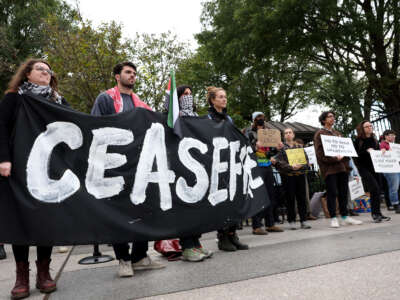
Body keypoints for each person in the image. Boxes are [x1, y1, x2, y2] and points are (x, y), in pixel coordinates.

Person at [0, 58, 67, 299]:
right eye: (40, 69)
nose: (46, 73)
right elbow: (1, 127)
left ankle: (43, 273)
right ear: (27, 73)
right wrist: (3, 159)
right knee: (21, 221)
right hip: (18, 169)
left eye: (49, 70)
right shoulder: (14, 98)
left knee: (44, 219)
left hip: (49, 171)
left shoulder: (56, 101)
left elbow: (74, 124)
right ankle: (21, 277)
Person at [91, 62, 165, 277]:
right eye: (128, 72)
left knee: (143, 208)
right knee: (119, 212)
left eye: (134, 73)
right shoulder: (105, 98)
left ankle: (140, 256)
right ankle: (123, 259)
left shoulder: (140, 104)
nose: (132, 76)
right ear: (117, 76)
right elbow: (95, 126)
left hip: (138, 163)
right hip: (113, 163)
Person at [164, 85, 212, 262]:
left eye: (190, 94)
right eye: (184, 94)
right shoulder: (175, 117)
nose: (188, 97)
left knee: (198, 208)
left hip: (197, 166)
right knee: (185, 208)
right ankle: (186, 246)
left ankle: (196, 243)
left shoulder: (195, 117)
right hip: (181, 166)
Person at [206, 86, 249, 252]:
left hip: (231, 162)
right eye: (220, 97)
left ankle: (233, 234)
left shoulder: (228, 118)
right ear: (212, 100)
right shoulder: (208, 117)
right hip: (217, 163)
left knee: (233, 198)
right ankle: (222, 237)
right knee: (222, 200)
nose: (224, 99)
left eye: (225, 97)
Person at [314, 111, 363, 228]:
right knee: (332, 192)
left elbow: (347, 150)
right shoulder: (319, 134)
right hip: (330, 169)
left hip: (342, 168)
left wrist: (345, 162)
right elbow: (319, 153)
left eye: (333, 116)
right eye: (329, 116)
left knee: (343, 192)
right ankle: (333, 217)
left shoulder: (338, 133)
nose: (332, 118)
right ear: (323, 120)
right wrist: (334, 158)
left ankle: (345, 217)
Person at [244, 112, 284, 235]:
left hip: (267, 166)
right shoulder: (249, 132)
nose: (260, 119)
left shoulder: (269, 132)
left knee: (270, 195)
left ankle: (270, 224)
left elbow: (273, 152)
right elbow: (244, 147)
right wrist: (254, 147)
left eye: (262, 117)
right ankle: (256, 226)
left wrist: (278, 148)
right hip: (255, 167)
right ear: (253, 119)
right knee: (258, 196)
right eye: (258, 117)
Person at [274, 128, 311, 230]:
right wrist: (291, 167)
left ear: (293, 134)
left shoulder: (299, 146)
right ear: (284, 136)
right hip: (288, 176)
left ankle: (303, 220)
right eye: (286, 133)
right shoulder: (281, 148)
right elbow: (279, 162)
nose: (288, 134)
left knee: (302, 199)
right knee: (290, 199)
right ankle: (292, 221)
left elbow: (306, 162)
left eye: (290, 132)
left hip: (300, 175)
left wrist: (300, 166)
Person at [354, 121, 391, 222]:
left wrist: (382, 151)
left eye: (370, 126)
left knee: (378, 189)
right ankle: (375, 214)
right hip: (363, 168)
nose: (369, 128)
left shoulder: (374, 139)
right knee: (374, 188)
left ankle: (378, 213)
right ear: (362, 128)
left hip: (375, 167)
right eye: (367, 126)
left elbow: (377, 152)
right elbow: (355, 154)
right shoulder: (358, 140)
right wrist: (366, 151)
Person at [379, 130, 400, 213]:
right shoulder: (384, 144)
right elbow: (383, 151)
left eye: (394, 135)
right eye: (391, 135)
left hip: (397, 167)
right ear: (386, 136)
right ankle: (395, 205)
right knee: (394, 187)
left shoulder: (394, 145)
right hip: (391, 169)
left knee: (396, 187)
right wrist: (384, 151)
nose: (393, 137)